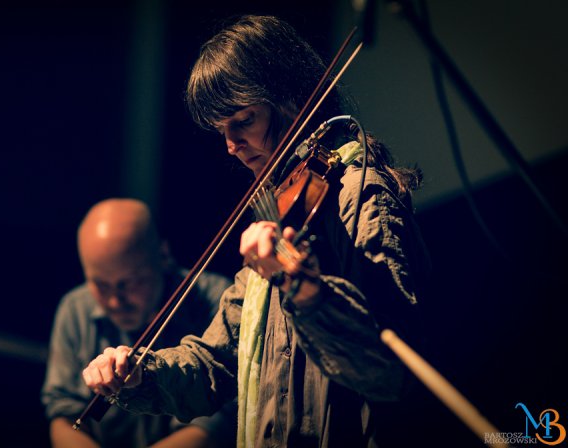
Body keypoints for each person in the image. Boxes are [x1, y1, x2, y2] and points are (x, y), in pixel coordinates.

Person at [81, 15, 431, 448]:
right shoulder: (281, 210)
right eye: (221, 130)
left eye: (243, 121)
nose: (231, 145)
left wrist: (303, 287)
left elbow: (390, 370)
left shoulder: (361, 196)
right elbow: (217, 361)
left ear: (290, 99)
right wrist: (141, 374)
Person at [41, 198, 236, 448]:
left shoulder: (219, 301)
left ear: (163, 255)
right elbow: (63, 411)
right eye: (100, 285)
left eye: (130, 282)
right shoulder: (75, 308)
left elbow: (218, 422)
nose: (115, 301)